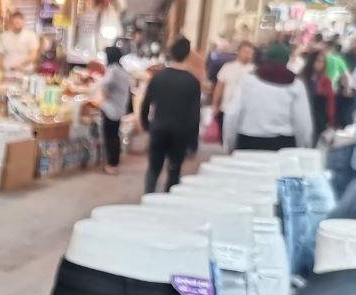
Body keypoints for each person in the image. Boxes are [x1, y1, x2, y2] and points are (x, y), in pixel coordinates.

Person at [224, 43, 314, 152]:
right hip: (282, 143)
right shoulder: (296, 84)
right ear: (287, 60)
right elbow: (302, 120)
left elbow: (232, 113)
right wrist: (303, 145)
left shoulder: (249, 80)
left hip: (248, 140)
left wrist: (230, 143)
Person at [141, 37, 202, 193]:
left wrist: (146, 124)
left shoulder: (158, 77)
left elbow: (146, 103)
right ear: (188, 55)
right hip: (180, 131)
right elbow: (195, 114)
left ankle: (148, 196)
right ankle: (168, 198)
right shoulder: (192, 82)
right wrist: (193, 142)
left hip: (159, 127)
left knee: (154, 167)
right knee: (174, 169)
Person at [95, 46, 131, 174]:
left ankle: (112, 164)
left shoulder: (113, 69)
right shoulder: (121, 70)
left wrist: (104, 94)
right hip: (119, 107)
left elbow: (105, 84)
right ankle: (113, 163)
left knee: (110, 136)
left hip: (111, 108)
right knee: (114, 135)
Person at [213, 41, 255, 138]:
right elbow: (219, 87)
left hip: (245, 111)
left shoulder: (254, 70)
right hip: (226, 107)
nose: (248, 55)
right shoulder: (228, 67)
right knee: (225, 136)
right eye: (245, 52)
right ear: (239, 52)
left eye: (250, 53)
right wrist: (215, 104)